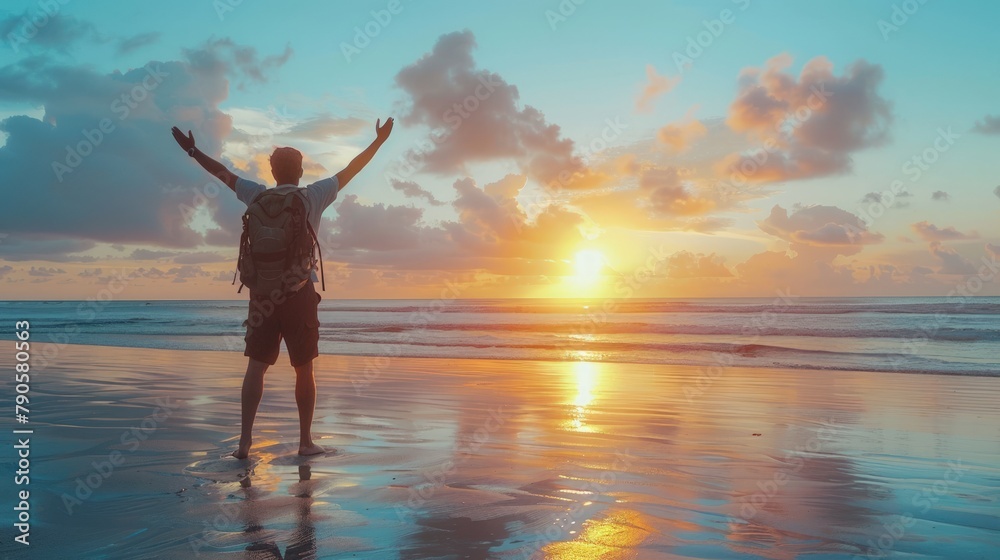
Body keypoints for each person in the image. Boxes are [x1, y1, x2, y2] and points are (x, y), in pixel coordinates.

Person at [171, 117, 393, 458]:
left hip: (262, 294)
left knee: (255, 367)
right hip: (299, 292)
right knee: (303, 369)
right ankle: (305, 442)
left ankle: (245, 442)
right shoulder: (314, 195)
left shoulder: (255, 194)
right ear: (300, 171)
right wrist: (378, 142)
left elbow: (222, 173)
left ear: (273, 172)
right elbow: (351, 170)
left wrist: (192, 150)